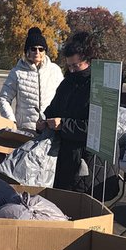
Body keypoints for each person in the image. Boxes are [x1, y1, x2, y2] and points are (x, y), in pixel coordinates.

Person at [36, 31, 94, 192]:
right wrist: (43, 122)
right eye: (69, 66)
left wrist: (63, 124)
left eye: (76, 65)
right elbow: (53, 108)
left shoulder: (95, 87)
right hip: (61, 155)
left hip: (82, 159)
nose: (73, 70)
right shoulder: (67, 83)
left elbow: (94, 128)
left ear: (87, 61)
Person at [0, 28, 63, 132]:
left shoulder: (55, 70)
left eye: (41, 49)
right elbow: (3, 98)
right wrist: (11, 122)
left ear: (45, 51)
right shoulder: (17, 72)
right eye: (33, 49)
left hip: (49, 130)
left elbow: (63, 98)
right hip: (25, 130)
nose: (37, 52)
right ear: (27, 51)